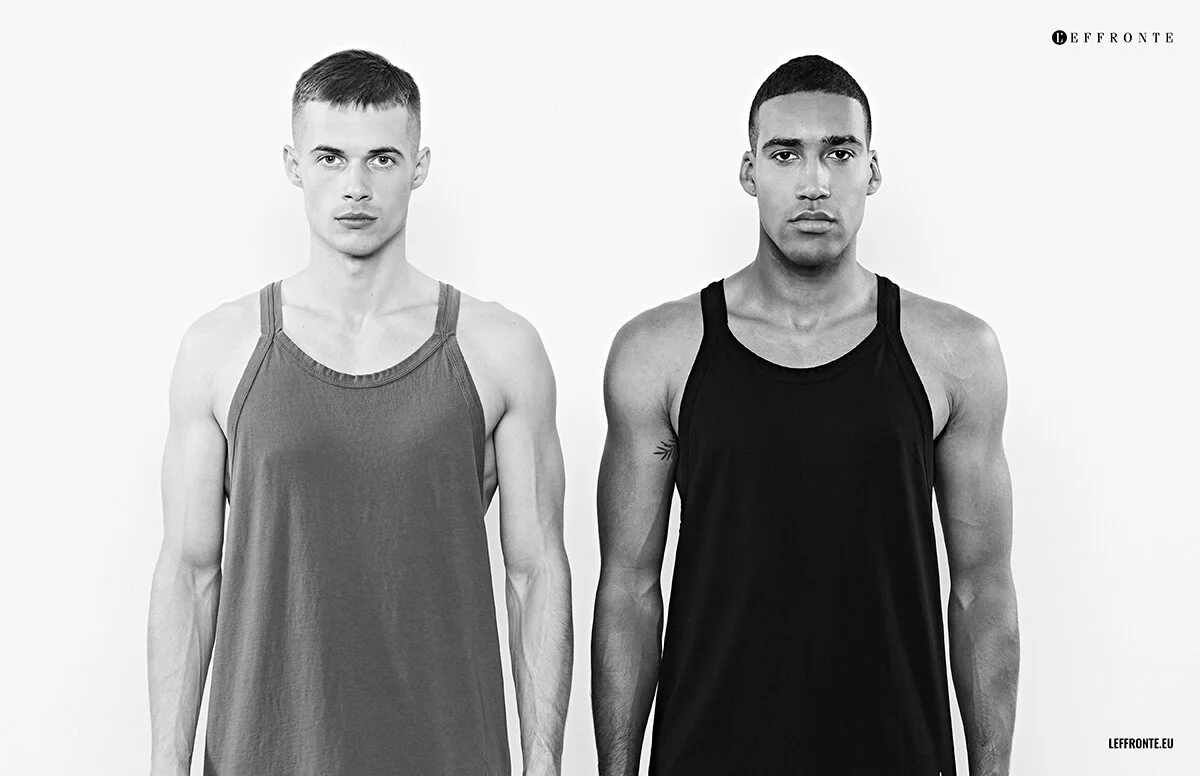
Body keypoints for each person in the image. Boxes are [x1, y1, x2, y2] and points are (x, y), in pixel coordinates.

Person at [147, 49, 572, 776]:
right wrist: (165, 767)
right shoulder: (219, 349)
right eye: (330, 157)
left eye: (382, 158)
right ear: (293, 165)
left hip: (449, 754)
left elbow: (536, 574)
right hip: (262, 755)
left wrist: (544, 765)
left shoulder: (500, 350)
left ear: (419, 166)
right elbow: (190, 573)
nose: (356, 185)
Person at [592, 55, 1019, 775]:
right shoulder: (658, 353)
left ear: (872, 171)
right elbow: (629, 590)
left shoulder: (955, 354)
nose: (814, 181)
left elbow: (982, 590)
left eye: (839, 153)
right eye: (786, 154)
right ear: (749, 172)